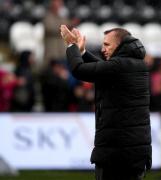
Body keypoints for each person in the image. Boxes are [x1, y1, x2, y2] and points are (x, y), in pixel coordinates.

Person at [60, 25, 152, 180]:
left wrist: (71, 46)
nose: (103, 49)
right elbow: (104, 70)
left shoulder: (119, 66)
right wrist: (82, 52)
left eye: (107, 44)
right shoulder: (135, 64)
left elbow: (79, 70)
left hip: (116, 153)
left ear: (120, 45)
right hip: (134, 152)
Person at [43, 0, 71, 68]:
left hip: (61, 51)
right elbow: (50, 28)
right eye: (58, 3)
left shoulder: (62, 16)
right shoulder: (47, 16)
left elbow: (68, 26)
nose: (60, 5)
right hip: (52, 52)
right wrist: (65, 27)